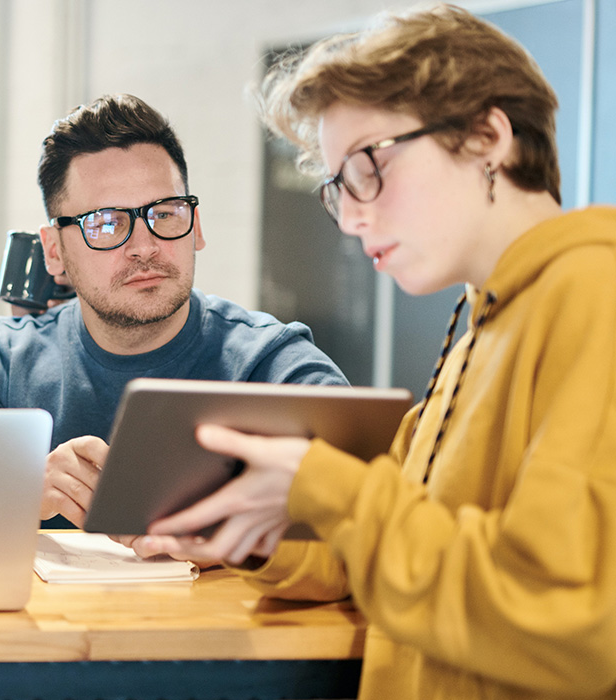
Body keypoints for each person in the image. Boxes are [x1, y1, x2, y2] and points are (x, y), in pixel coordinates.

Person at [146, 6, 616, 698]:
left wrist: (326, 485)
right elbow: (375, 553)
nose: (355, 215)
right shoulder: (483, 325)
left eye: (370, 164)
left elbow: (566, 622)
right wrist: (247, 527)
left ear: (488, 135)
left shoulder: (593, 294)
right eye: (339, 188)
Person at [0, 94, 346, 529]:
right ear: (54, 251)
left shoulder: (271, 366)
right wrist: (16, 493)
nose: (144, 247)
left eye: (166, 213)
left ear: (196, 226)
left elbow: (364, 525)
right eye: (105, 223)